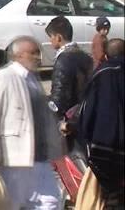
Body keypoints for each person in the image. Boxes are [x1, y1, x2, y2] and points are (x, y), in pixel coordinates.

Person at [0, 36, 63, 210]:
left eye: (38, 53)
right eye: (32, 53)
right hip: (15, 158)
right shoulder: (5, 77)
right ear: (18, 55)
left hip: (40, 157)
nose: (38, 57)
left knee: (51, 203)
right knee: (14, 204)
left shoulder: (32, 78)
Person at [78, 38, 124, 208]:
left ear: (105, 54)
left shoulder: (102, 74)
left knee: (112, 197)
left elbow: (88, 111)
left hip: (106, 148)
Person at [46, 16, 93, 122]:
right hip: (84, 112)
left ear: (58, 37)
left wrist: (53, 116)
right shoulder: (84, 55)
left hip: (69, 117)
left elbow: (59, 95)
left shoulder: (63, 60)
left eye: (51, 37)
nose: (50, 40)